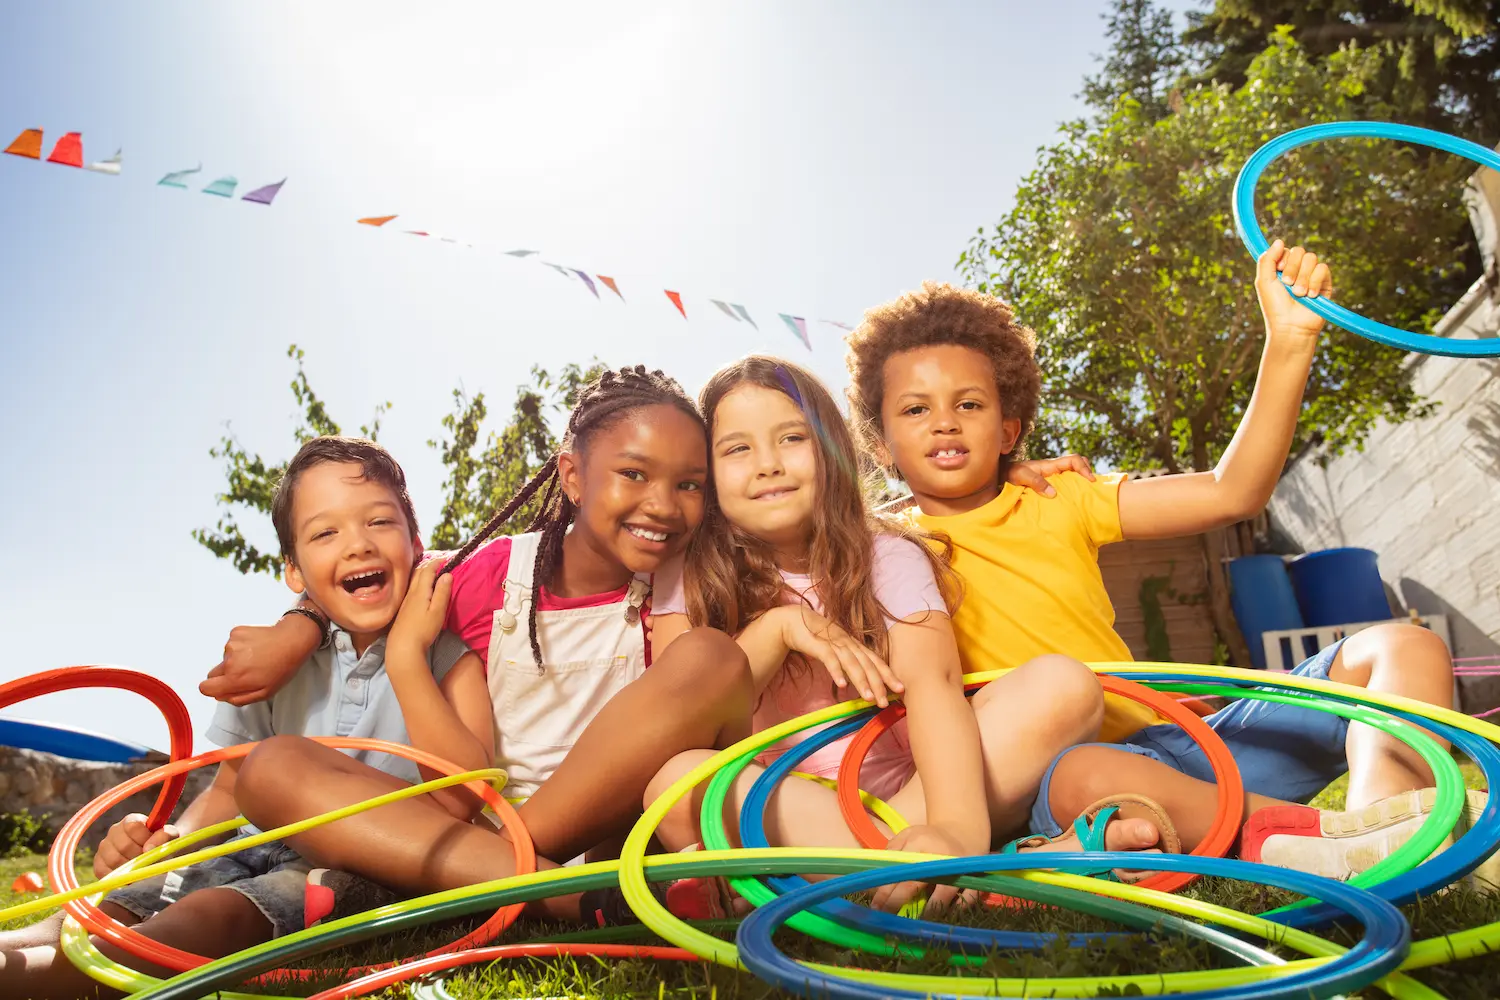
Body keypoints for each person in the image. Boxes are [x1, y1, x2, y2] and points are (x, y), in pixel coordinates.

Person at [843, 241, 1479, 878]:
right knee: (1088, 772)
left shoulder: (1059, 497)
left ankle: (1393, 821)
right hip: (1071, 786)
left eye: (970, 404)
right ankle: (1324, 841)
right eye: (915, 409)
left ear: (1009, 429)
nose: (945, 423)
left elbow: (1233, 491)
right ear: (881, 441)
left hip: (1184, 744)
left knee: (1405, 647)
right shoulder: (883, 547)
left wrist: (1289, 339)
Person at [204, 366, 755, 927]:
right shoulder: (485, 575)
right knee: (271, 767)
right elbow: (369, 580)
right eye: (634, 473)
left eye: (689, 484)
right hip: (472, 833)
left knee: (712, 657)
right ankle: (572, 894)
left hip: (585, 839)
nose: (662, 504)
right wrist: (298, 627)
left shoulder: (693, 582)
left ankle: (488, 882)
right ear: (571, 476)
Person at [647, 356, 1167, 917]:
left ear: (831, 452)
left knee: (1063, 686)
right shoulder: (685, 570)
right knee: (674, 784)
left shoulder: (886, 554)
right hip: (778, 803)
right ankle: (975, 873)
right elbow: (683, 716)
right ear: (707, 472)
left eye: (791, 438)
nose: (768, 464)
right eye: (737, 449)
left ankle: (900, 867)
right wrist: (778, 629)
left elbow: (935, 688)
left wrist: (952, 830)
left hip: (916, 792)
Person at [0, 436, 476, 999]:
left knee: (218, 914)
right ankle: (27, 951)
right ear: (294, 572)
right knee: (132, 897)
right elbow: (228, 790)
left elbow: (467, 792)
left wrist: (408, 662)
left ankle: (52, 981)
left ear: (417, 545)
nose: (357, 546)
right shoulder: (270, 667)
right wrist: (177, 835)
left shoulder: (448, 656)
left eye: (379, 522)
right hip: (249, 841)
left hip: (355, 865)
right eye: (326, 533)